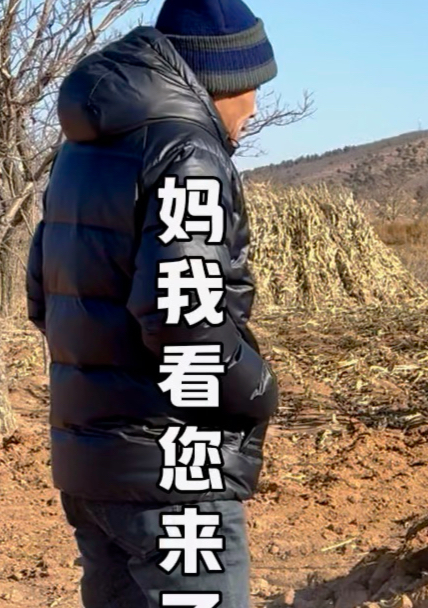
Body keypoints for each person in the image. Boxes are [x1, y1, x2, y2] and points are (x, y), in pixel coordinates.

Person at [24, 0, 280, 606]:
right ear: (221, 79)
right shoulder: (186, 153)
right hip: (173, 470)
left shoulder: (81, 149)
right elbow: (183, 319)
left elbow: (43, 296)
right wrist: (258, 387)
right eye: (253, 86)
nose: (254, 106)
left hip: (93, 465)